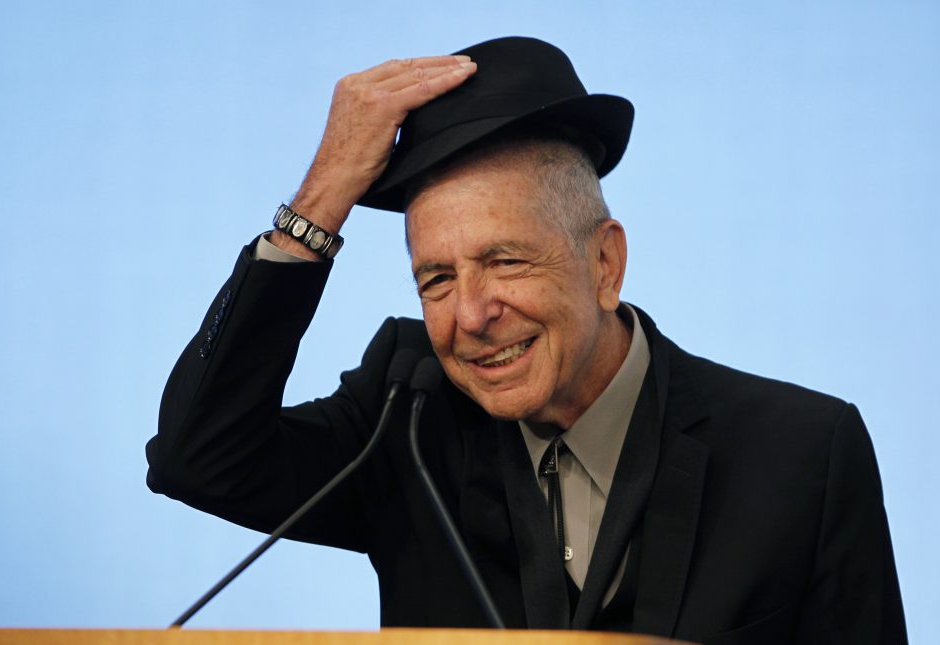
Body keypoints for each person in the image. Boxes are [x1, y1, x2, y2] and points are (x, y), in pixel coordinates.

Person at [146, 36, 906, 643]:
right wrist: (320, 199)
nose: (472, 314)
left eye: (505, 261)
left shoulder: (805, 450)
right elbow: (199, 458)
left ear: (605, 263)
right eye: (436, 278)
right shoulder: (404, 416)